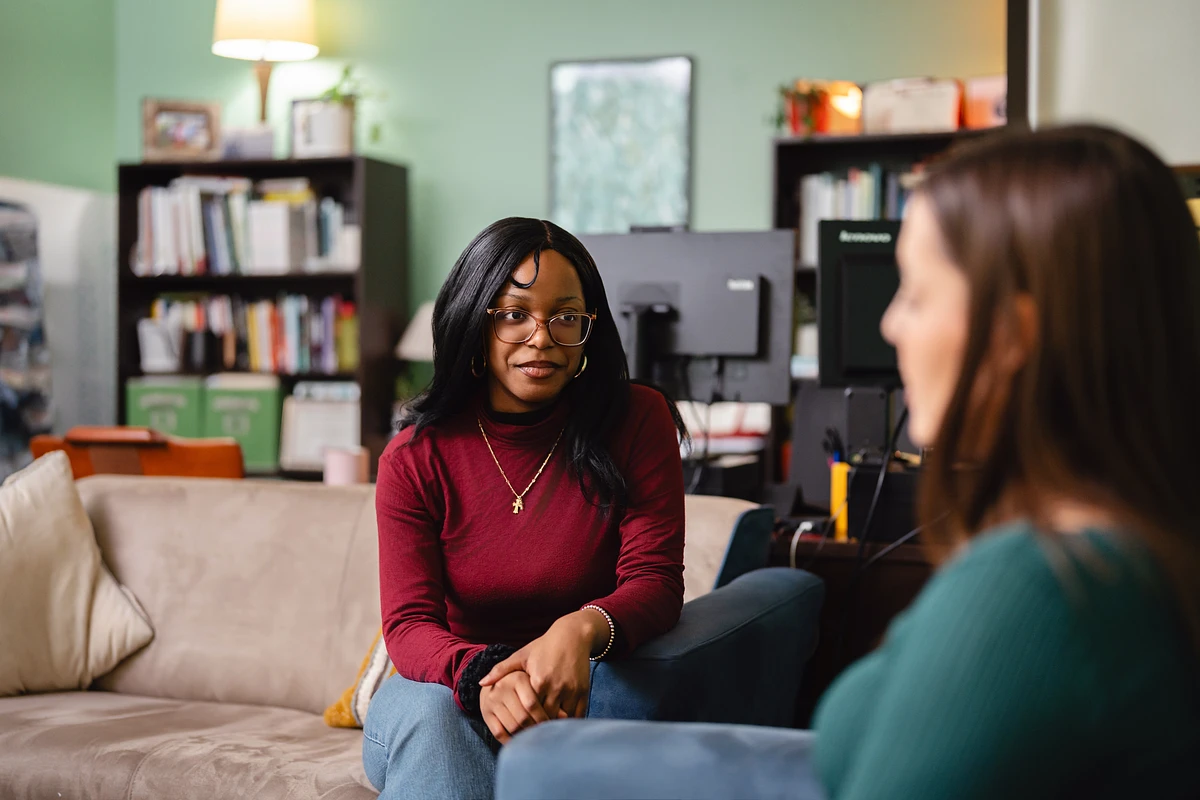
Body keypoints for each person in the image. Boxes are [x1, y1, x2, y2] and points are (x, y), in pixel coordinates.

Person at [492, 124, 1200, 799]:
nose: (890, 323)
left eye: (917, 294)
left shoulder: (1038, 591)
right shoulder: (1146, 545)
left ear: (1013, 334)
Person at [363, 217, 688, 799]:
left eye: (564, 317)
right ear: (475, 323)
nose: (541, 338)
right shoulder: (413, 457)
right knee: (437, 724)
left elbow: (656, 581)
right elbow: (409, 626)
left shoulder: (638, 420)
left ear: (589, 328)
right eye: (513, 314)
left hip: (573, 687)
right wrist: (480, 679)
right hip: (443, 685)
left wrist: (582, 628)